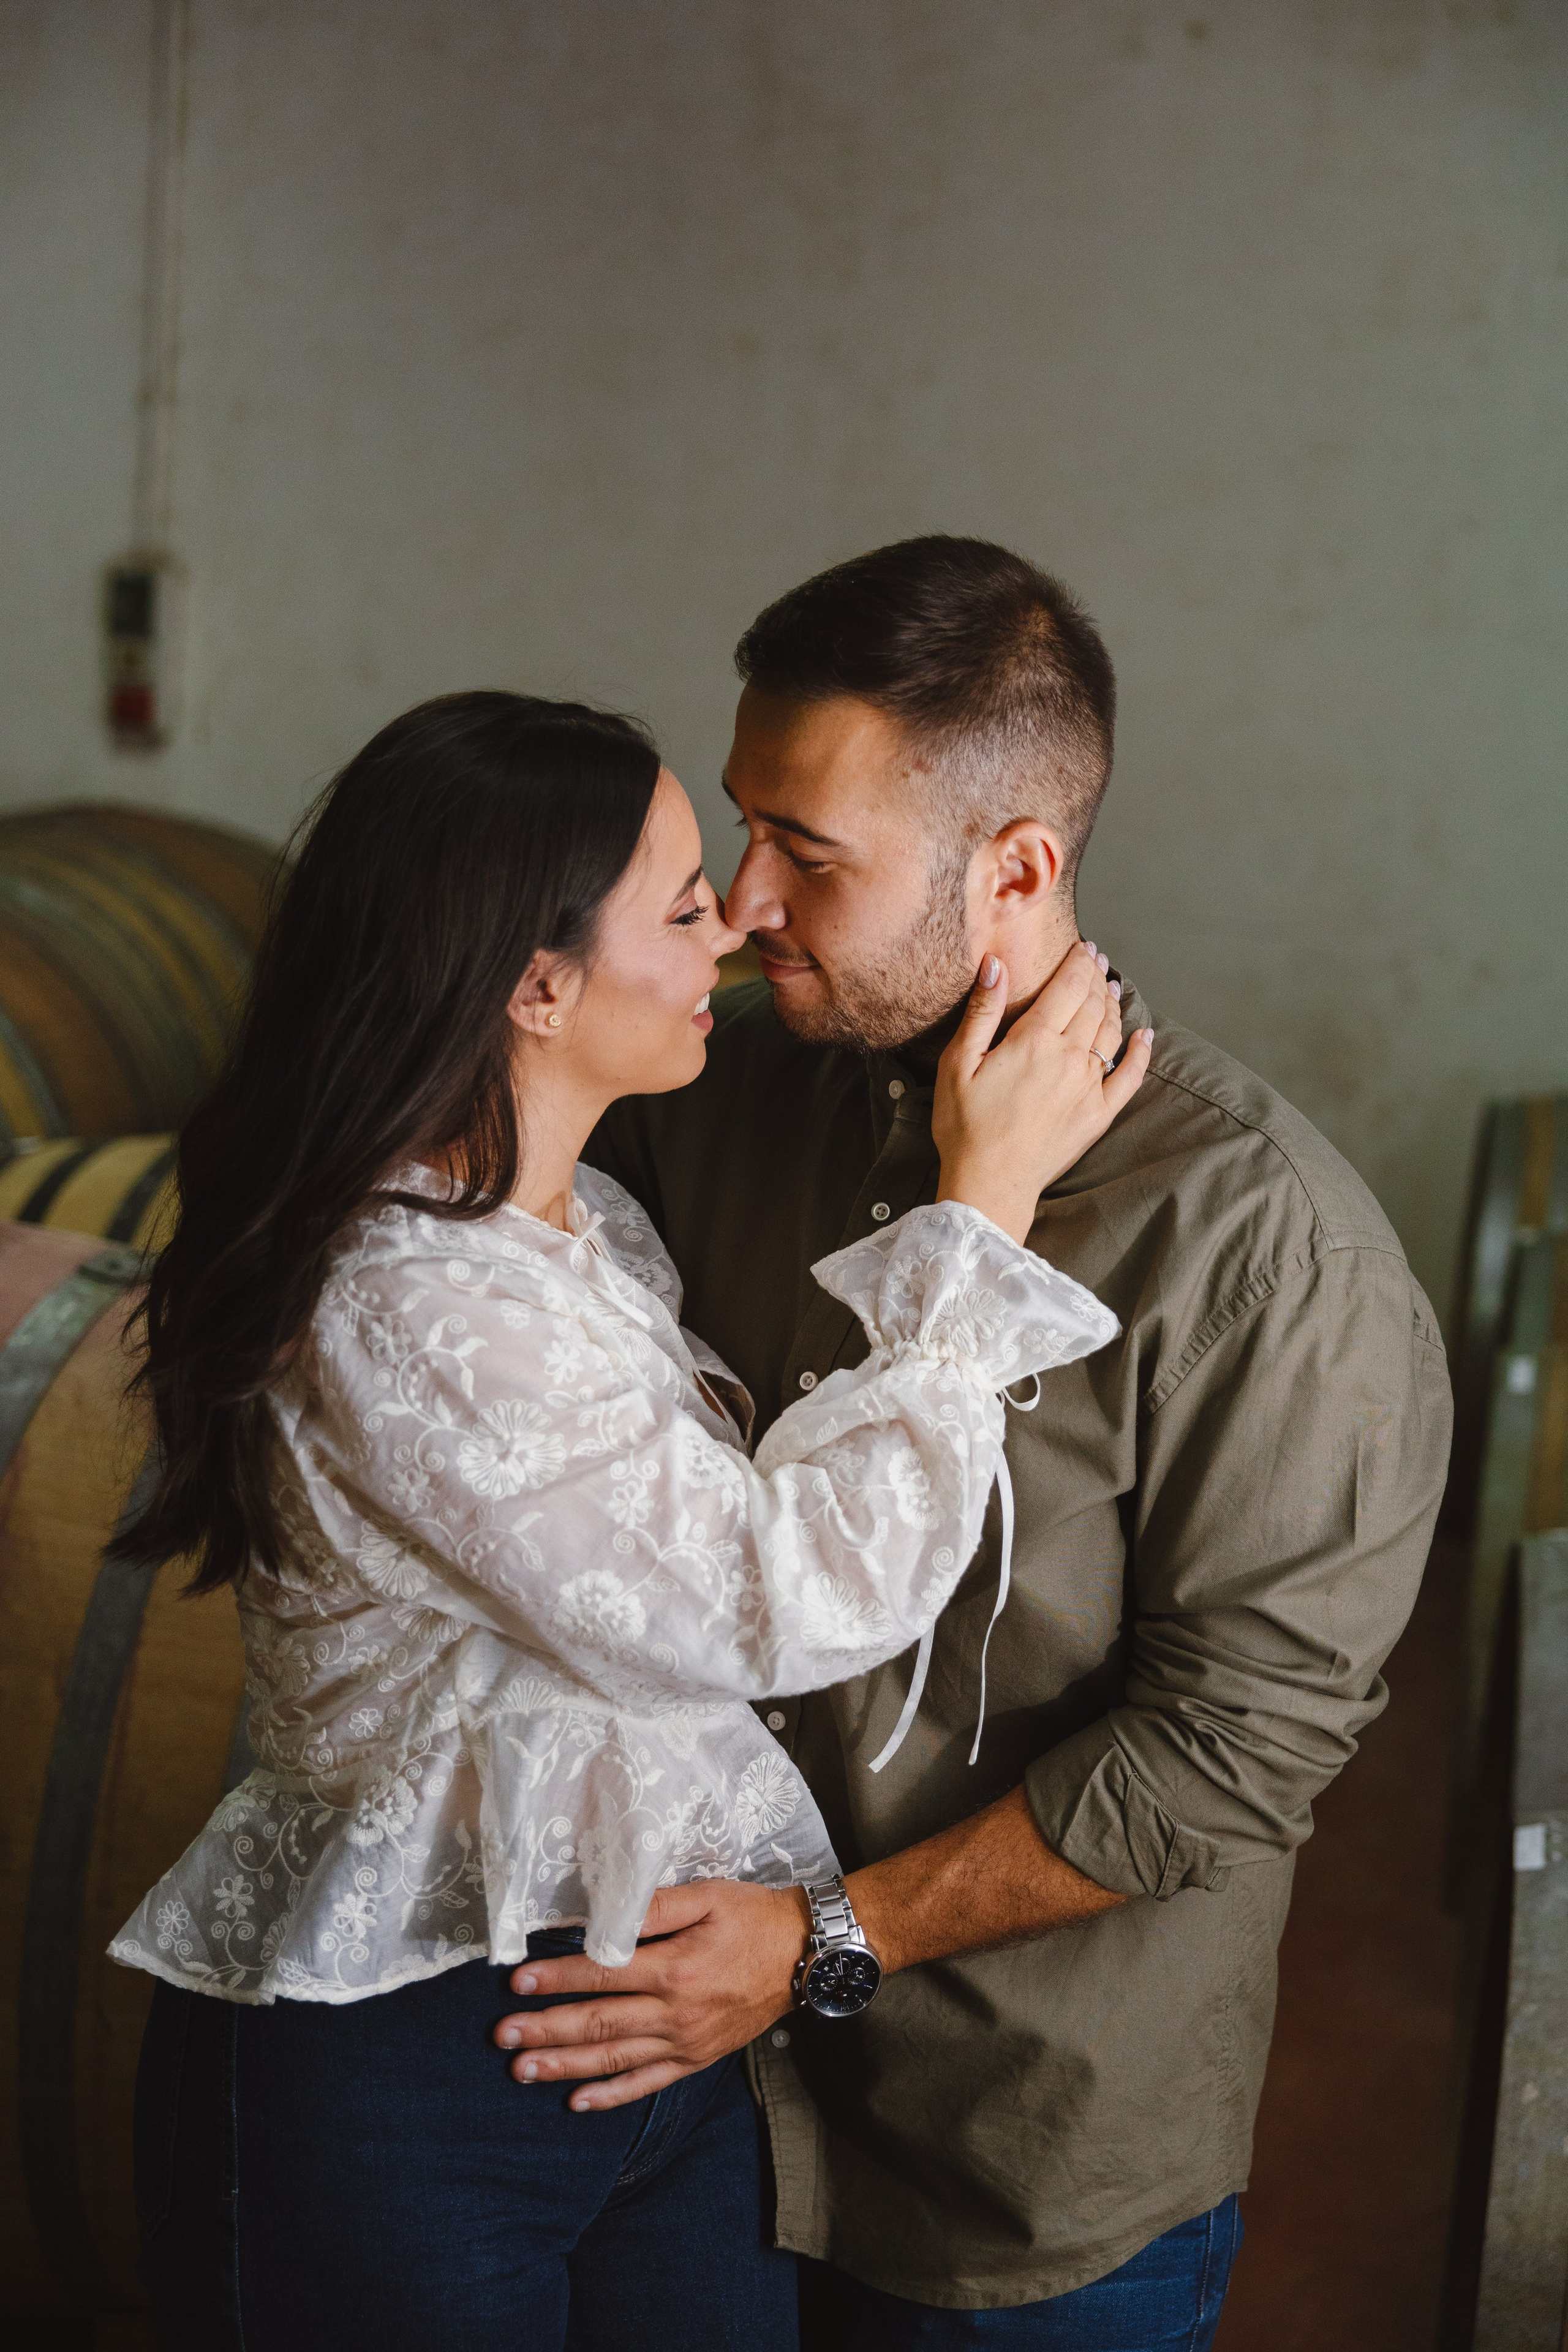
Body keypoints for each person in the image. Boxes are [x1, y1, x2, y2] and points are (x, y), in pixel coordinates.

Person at [109, 688, 1150, 2351]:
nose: (740, 919)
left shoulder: (576, 1223)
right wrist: (986, 1211)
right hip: (421, 2060)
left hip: (668, 2025)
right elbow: (773, 1596)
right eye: (683, 903)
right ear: (536, 983)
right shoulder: (405, 1298)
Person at [508, 537, 1455, 2348]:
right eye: (743, 827)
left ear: (1016, 869)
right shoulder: (715, 1101)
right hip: (685, 2134)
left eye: (812, 854)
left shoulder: (1269, 1253)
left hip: (1018, 2173)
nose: (745, 904)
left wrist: (822, 1940)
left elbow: (1232, 1753)